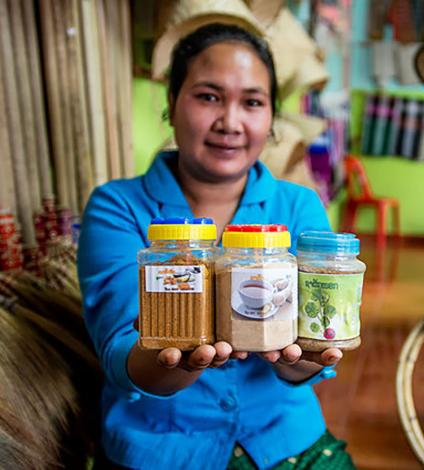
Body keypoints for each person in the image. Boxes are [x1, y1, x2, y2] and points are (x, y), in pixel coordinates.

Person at [78, 23, 354, 470]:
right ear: (171, 103)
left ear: (271, 117)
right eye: (208, 96)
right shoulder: (117, 206)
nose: (230, 122)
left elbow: (304, 353)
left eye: (252, 102)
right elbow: (120, 349)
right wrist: (177, 361)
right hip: (160, 450)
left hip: (287, 444)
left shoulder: (297, 205)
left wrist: (301, 357)